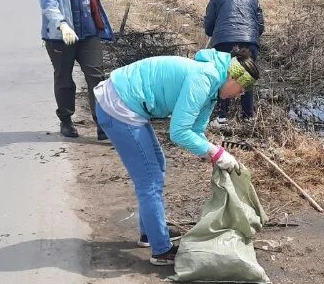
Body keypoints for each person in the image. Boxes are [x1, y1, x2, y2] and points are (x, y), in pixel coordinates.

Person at [94, 48, 260, 265]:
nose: (238, 95)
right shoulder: (205, 78)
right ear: (232, 76)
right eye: (240, 88)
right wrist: (216, 153)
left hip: (128, 104)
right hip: (118, 105)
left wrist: (213, 155)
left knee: (156, 167)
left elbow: (196, 131)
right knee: (150, 180)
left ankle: (150, 233)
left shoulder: (212, 86)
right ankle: (161, 250)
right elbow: (179, 132)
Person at [38, 0, 114, 140]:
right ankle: (66, 120)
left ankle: (103, 124)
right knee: (64, 79)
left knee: (97, 78)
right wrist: (62, 25)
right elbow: (49, 4)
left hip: (88, 32)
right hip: (60, 37)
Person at [203, 0, 264, 126]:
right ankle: (248, 117)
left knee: (224, 76)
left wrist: (215, 33)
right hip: (250, 41)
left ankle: (222, 117)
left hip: (224, 41)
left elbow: (208, 26)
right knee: (246, 76)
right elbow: (261, 26)